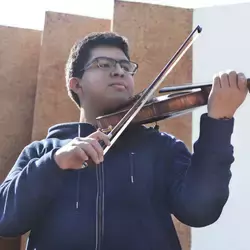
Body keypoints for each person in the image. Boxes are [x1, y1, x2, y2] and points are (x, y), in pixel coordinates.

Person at [0, 31, 248, 250]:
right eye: (103, 64)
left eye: (125, 66)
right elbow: (6, 220)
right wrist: (54, 163)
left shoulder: (162, 147)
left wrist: (218, 122)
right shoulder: (42, 151)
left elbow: (200, 210)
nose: (119, 70)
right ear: (75, 84)